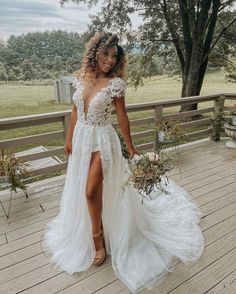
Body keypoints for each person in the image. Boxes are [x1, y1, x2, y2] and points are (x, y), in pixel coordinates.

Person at [42, 32, 205, 293]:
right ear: (95, 52)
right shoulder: (81, 79)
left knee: (90, 191)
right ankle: (97, 226)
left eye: (114, 56)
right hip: (82, 140)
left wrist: (130, 146)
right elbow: (74, 112)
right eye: (105, 53)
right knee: (83, 189)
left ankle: (98, 241)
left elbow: (122, 117)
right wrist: (69, 138)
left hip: (102, 141)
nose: (109, 59)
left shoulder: (115, 85)